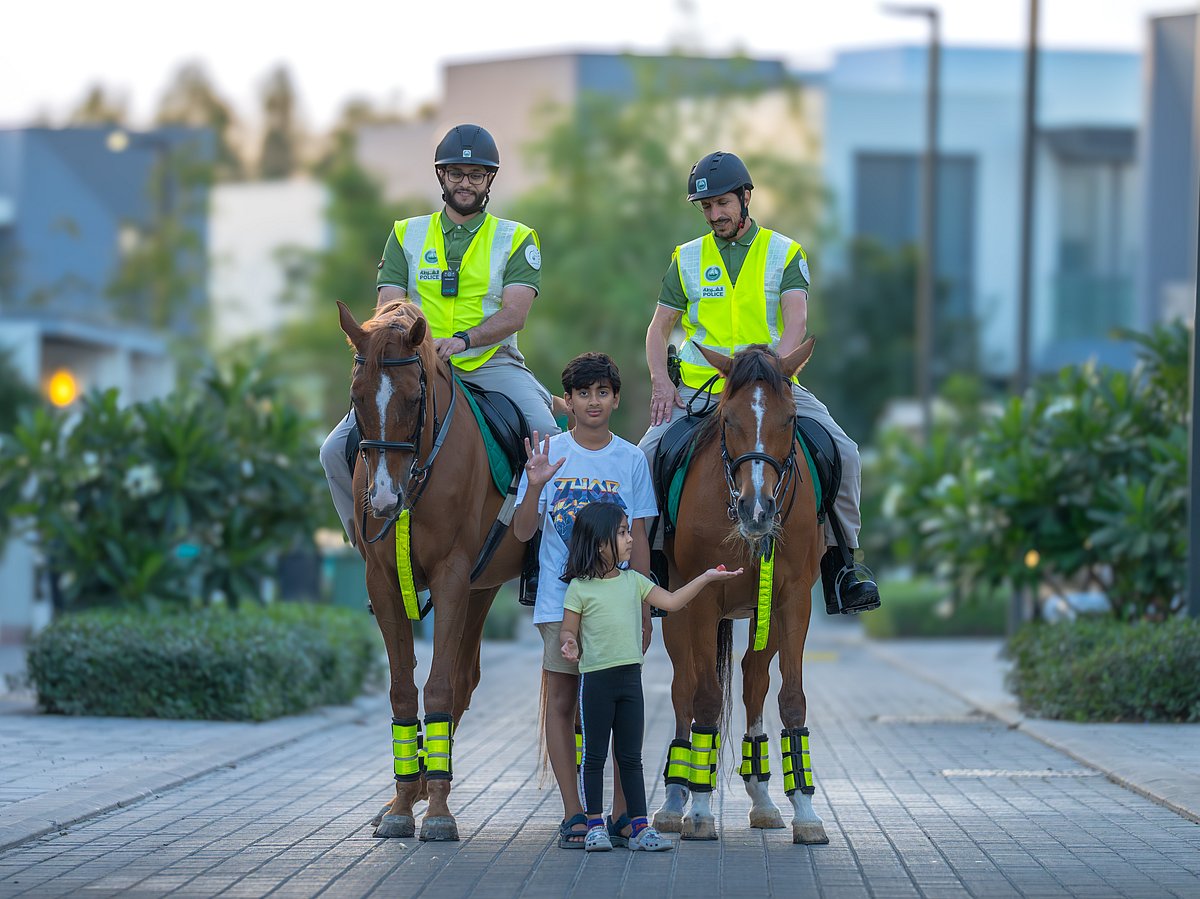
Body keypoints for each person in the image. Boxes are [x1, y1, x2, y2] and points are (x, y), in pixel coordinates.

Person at [637, 150, 881, 616]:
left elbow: (796, 320)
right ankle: (652, 569)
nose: (714, 215)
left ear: (745, 198)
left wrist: (779, 372)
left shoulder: (785, 252)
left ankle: (844, 564)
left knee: (845, 452)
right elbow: (658, 329)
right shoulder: (685, 258)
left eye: (722, 204)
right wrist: (660, 383)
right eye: (705, 207)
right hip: (700, 389)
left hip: (770, 386)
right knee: (644, 456)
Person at [319, 123, 559, 545]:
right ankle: (367, 550)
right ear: (441, 176)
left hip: (490, 362)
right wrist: (420, 347)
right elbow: (389, 307)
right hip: (413, 364)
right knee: (332, 452)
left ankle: (545, 556)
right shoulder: (404, 234)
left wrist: (464, 341)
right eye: (456, 174)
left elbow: (515, 314)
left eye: (476, 175)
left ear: (490, 181)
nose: (465, 183)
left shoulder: (517, 237)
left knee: (549, 440)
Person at [513, 352, 657, 849]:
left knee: (616, 708)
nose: (593, 402)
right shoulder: (550, 452)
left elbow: (637, 536)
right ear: (567, 401)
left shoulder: (631, 459)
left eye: (602, 392)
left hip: (616, 609)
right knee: (560, 701)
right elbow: (523, 530)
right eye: (582, 393)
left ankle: (620, 812)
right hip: (562, 604)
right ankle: (575, 811)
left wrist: (644, 607)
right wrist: (533, 486)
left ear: (615, 399)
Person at [558, 501, 744, 852]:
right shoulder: (579, 588)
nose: (631, 539)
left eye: (629, 531)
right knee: (595, 757)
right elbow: (568, 630)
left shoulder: (635, 582)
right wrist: (569, 644)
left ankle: (640, 827)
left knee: (631, 758)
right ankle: (595, 824)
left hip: (630, 682)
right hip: (596, 682)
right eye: (624, 532)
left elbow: (672, 602)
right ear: (601, 544)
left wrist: (706, 578)